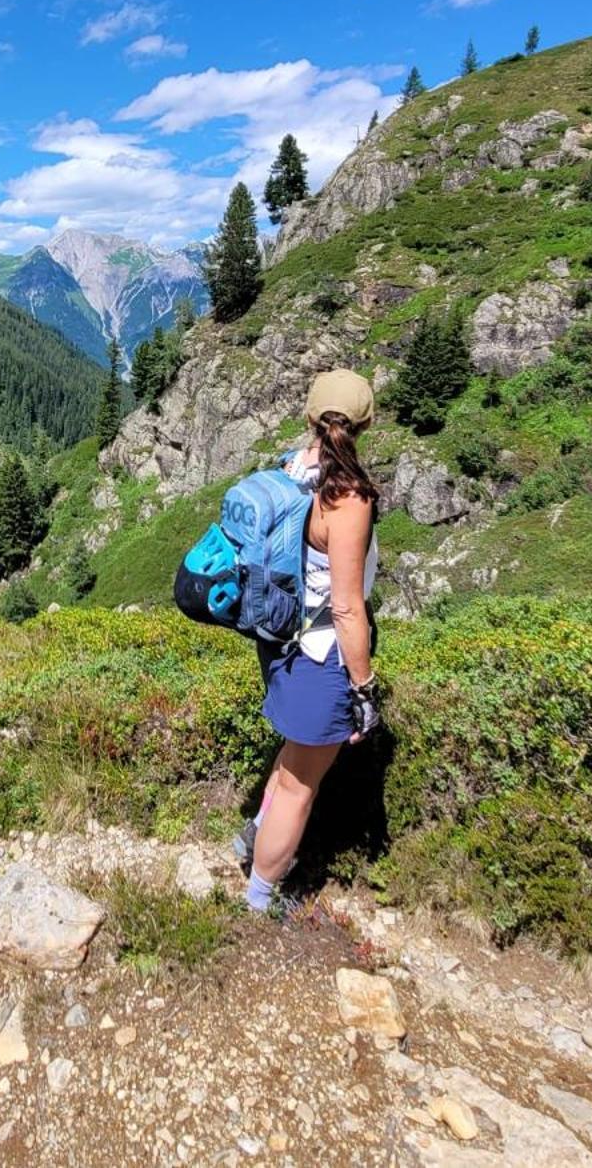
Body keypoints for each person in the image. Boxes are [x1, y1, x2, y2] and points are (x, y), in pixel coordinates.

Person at [235, 369, 381, 914]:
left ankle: (251, 834)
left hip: (281, 643)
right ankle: (260, 899)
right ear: (365, 424)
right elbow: (346, 606)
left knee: (292, 759)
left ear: (310, 418)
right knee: (301, 785)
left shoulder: (292, 471)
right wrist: (364, 688)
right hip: (322, 657)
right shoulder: (349, 498)